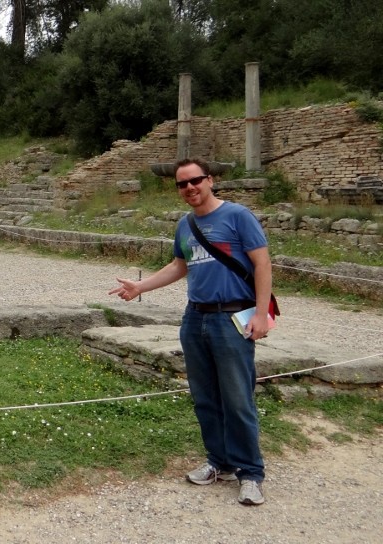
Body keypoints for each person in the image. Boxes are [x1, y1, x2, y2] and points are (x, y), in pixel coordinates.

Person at [108, 158, 273, 506]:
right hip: (195, 318)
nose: (189, 188)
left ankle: (250, 473)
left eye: (195, 180)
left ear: (210, 180)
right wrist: (141, 287)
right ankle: (220, 462)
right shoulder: (185, 225)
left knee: (238, 398)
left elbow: (262, 263)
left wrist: (261, 313)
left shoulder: (238, 216)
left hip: (231, 317)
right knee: (205, 397)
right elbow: (179, 265)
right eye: (182, 184)